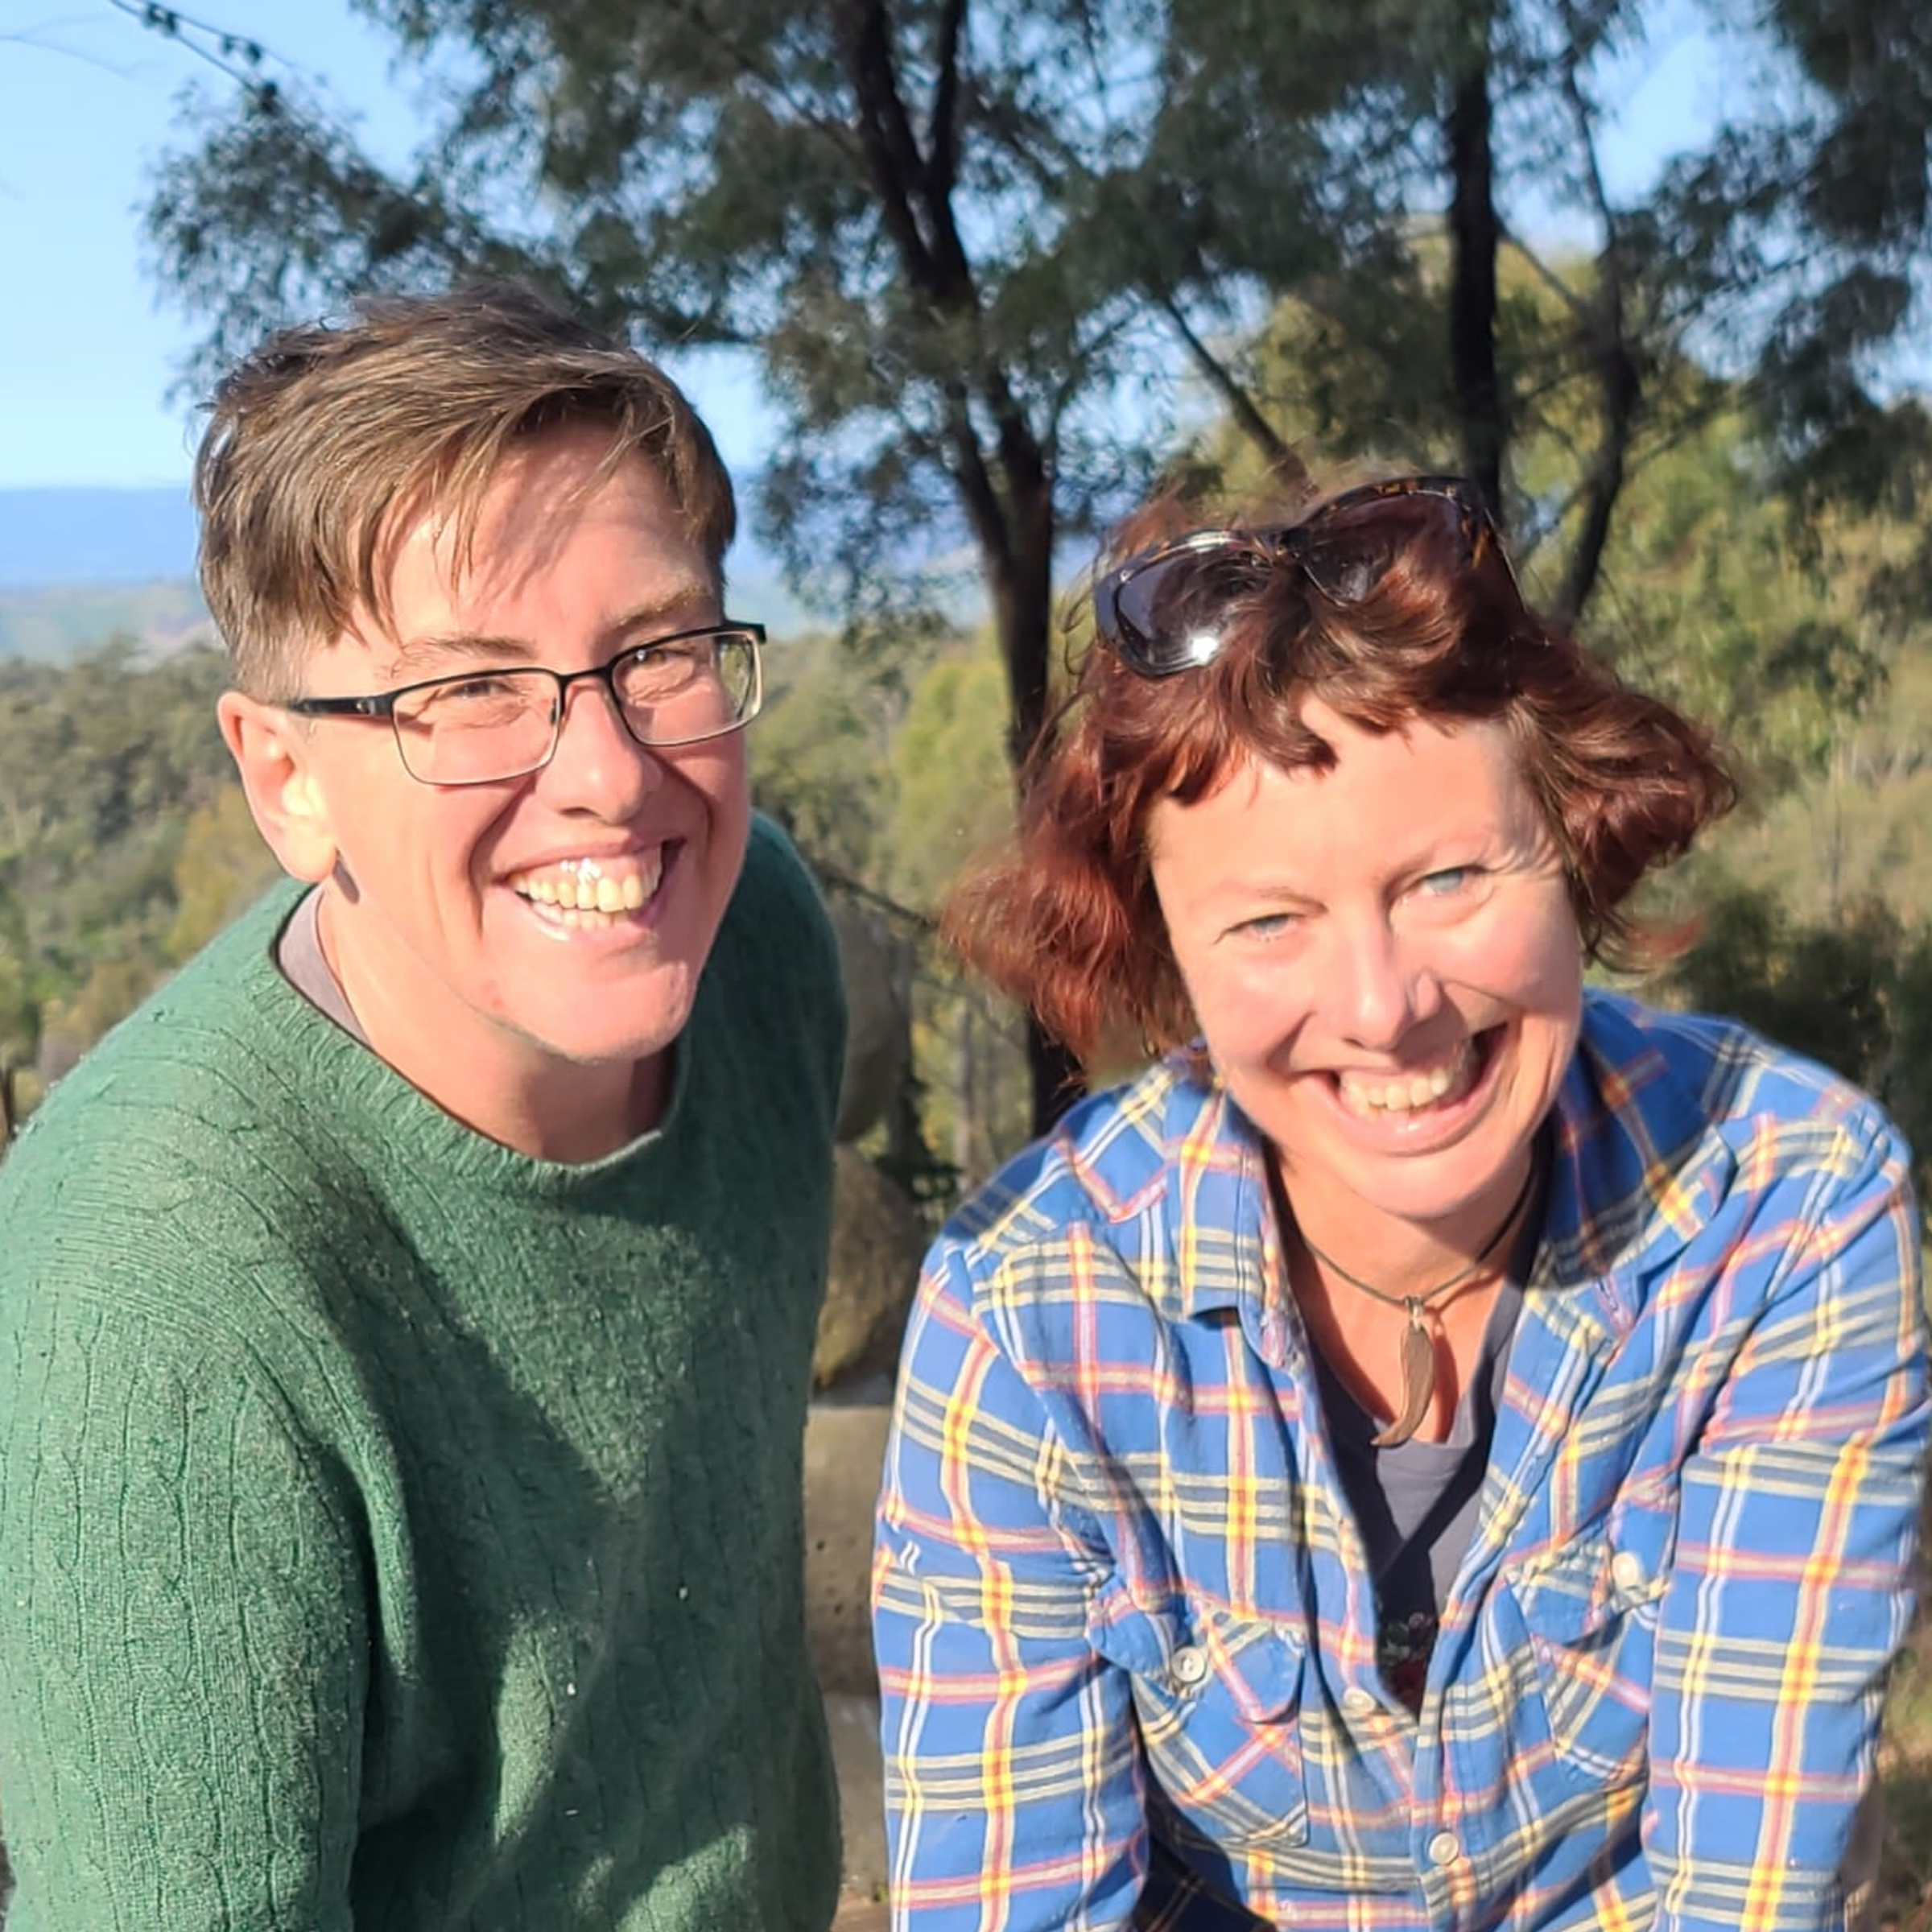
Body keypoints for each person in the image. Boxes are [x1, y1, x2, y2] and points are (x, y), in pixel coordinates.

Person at [873, 475, 1930, 1930]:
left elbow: (1750, 1881)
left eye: (1447, 879)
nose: (1384, 1009)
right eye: (1268, 920)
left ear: (1574, 842)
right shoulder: (1026, 1314)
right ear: (1167, 956)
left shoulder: (1786, 1206)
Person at [0, 282, 847, 1931]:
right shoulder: (153, 1302)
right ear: (286, 781)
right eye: (468, 692)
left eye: (656, 651)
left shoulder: (755, 949)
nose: (606, 774)